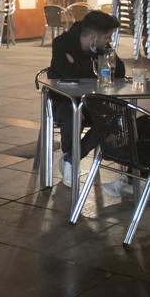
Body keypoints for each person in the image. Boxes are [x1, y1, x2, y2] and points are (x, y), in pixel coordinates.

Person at [46, 10, 125, 187]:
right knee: (74, 115)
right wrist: (92, 65)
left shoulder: (102, 48)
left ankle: (71, 159)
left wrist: (94, 60)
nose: (109, 41)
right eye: (107, 37)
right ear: (94, 38)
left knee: (112, 119)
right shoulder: (62, 43)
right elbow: (59, 76)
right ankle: (70, 160)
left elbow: (120, 71)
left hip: (91, 101)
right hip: (63, 101)